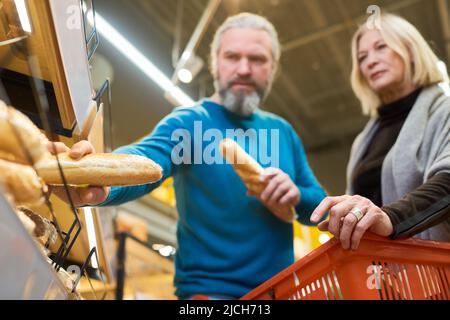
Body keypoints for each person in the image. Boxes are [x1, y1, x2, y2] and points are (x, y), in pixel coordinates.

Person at [50, 13, 327, 299]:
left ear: (273, 68)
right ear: (215, 62)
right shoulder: (190, 123)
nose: (244, 68)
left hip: (283, 294)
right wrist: (100, 176)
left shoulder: (283, 132)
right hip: (209, 296)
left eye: (257, 59)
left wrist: (296, 195)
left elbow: (321, 207)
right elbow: (144, 159)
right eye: (232, 56)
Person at [311, 13, 450, 250]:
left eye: (381, 47)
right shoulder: (362, 141)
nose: (370, 61)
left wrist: (389, 217)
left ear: (411, 51)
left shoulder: (444, 110)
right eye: (362, 57)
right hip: (380, 277)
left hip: (435, 272)